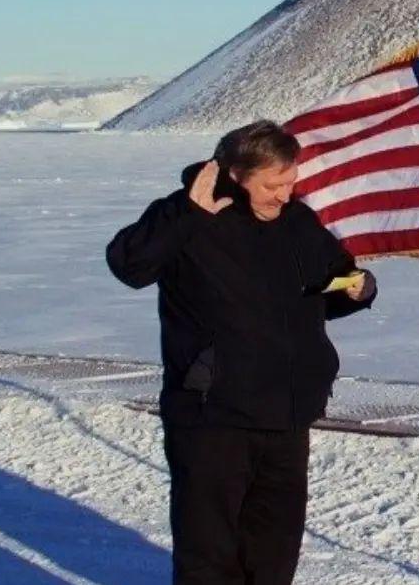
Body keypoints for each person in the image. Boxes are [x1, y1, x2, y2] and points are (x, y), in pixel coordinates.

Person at [105, 120, 376, 585]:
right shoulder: (188, 217)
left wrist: (360, 288)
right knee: (210, 554)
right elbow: (129, 265)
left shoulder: (297, 221)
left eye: (290, 182)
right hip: (214, 417)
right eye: (273, 185)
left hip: (286, 414)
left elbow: (326, 282)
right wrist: (186, 213)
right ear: (235, 174)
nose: (284, 195)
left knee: (274, 552)